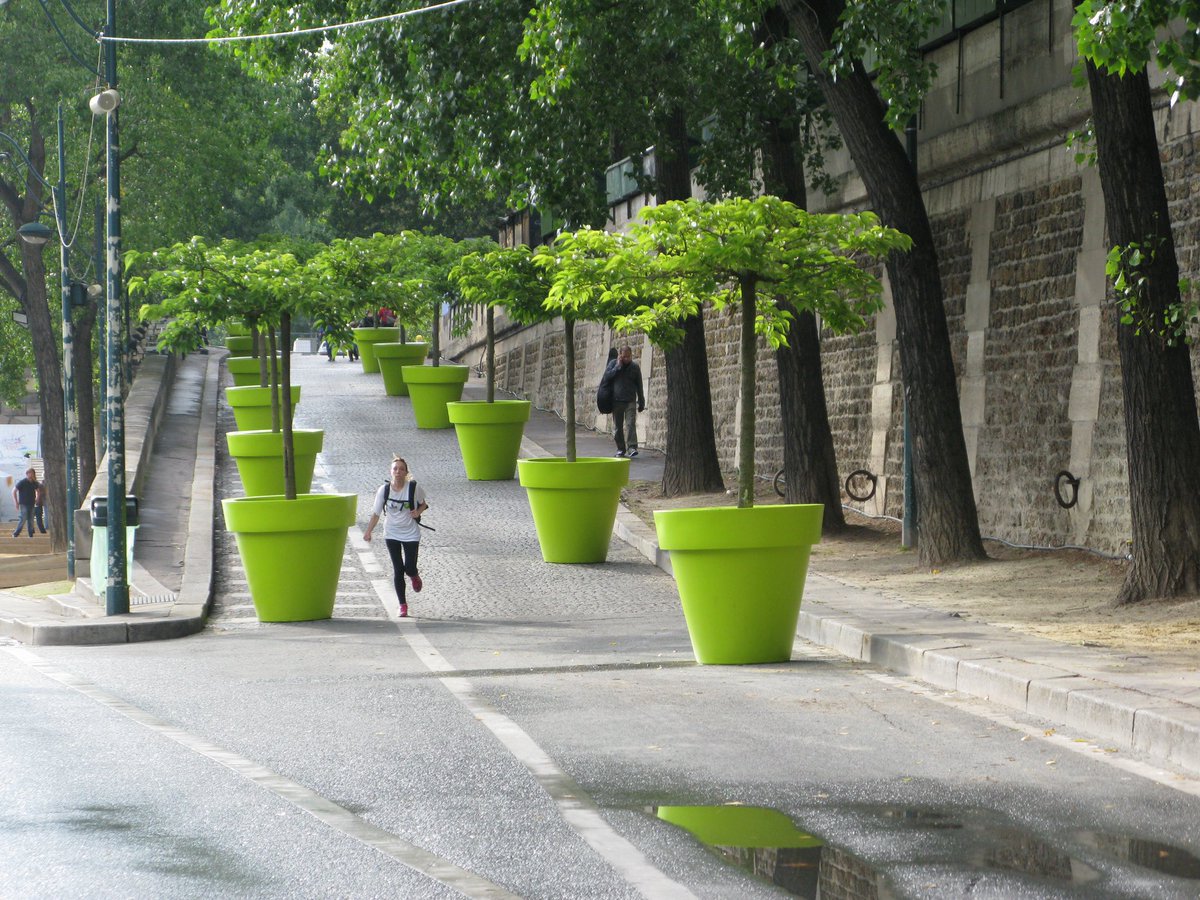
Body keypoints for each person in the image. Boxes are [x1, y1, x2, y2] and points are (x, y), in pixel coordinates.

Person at [363, 456, 428, 618]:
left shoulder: (413, 488)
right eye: (395, 469)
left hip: (411, 533)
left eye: (401, 469)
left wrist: (417, 512)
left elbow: (424, 504)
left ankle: (414, 575)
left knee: (410, 567)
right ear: (391, 471)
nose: (398, 471)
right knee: (398, 569)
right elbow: (376, 513)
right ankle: (402, 605)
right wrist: (368, 531)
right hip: (391, 533)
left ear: (406, 472)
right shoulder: (384, 490)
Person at [601, 345, 645, 458]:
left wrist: (641, 400)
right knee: (618, 427)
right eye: (624, 356)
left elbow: (639, 385)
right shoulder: (613, 364)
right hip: (617, 401)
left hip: (630, 400)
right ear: (620, 355)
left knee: (630, 424)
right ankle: (620, 448)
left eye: (628, 356)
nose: (626, 359)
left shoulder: (635, 367)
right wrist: (617, 367)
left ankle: (632, 447)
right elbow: (606, 377)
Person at [11, 468, 39, 538]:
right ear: (27, 474)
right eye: (29, 473)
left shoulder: (34, 482)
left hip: (32, 503)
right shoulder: (22, 482)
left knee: (31, 519)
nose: (31, 474)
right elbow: (14, 491)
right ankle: (16, 533)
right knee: (23, 518)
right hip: (23, 503)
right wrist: (16, 502)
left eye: (32, 473)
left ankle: (30, 535)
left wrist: (37, 498)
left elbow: (38, 491)